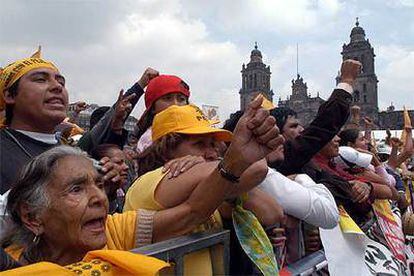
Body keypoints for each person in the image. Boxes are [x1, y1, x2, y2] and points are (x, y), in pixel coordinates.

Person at [1, 96, 281, 272]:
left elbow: (194, 212)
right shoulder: (14, 266)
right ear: (31, 216)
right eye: (76, 189)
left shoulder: (115, 230)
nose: (100, 198)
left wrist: (234, 163)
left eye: (98, 184)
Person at [125, 102, 285, 275]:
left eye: (212, 144)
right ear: (166, 150)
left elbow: (272, 213)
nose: (210, 153)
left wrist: (227, 187)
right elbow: (256, 168)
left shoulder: (207, 190)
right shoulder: (151, 181)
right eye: (199, 144)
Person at [0, 49, 126, 194]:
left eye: (61, 82)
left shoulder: (77, 155)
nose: (57, 86)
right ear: (9, 95)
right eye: (40, 79)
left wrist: (104, 191)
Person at [135, 74, 191, 155]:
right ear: (153, 107)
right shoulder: (149, 140)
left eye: (181, 99)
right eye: (167, 98)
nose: (175, 104)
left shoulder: (198, 131)